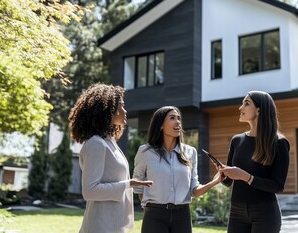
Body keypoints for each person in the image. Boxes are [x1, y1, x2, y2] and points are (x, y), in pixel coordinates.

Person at [68, 83, 153, 233]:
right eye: (121, 106)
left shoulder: (109, 142)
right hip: (100, 226)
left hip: (113, 224)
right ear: (107, 110)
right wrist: (129, 183)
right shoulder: (96, 144)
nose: (125, 111)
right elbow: (90, 191)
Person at [133, 106, 222, 233]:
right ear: (161, 125)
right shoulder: (145, 151)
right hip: (155, 215)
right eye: (172, 118)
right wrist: (148, 208)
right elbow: (138, 184)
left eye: (179, 118)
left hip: (182, 215)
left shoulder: (190, 152)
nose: (178, 122)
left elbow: (194, 190)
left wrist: (216, 181)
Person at [219, 90, 290, 233]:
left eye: (246, 104)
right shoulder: (236, 140)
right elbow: (228, 182)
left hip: (265, 213)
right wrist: (223, 173)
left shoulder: (279, 143)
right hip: (237, 211)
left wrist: (246, 177)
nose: (240, 108)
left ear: (259, 110)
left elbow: (277, 185)